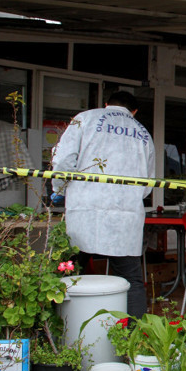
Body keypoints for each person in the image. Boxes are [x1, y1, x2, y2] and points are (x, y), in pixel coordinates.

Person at [51, 91, 156, 319]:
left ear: (106, 104)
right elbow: (148, 184)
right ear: (134, 111)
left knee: (66, 273)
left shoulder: (85, 118)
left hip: (84, 211)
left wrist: (59, 190)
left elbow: (63, 161)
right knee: (131, 281)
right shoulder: (143, 134)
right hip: (124, 217)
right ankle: (136, 339)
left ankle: (55, 330)